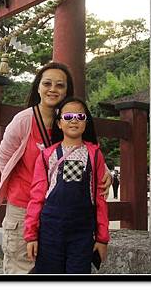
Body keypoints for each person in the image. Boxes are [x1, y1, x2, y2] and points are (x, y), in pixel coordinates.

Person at [0, 62, 112, 274]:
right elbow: (3, 159)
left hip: (59, 215)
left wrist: (106, 175)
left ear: (67, 91)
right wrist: (32, 185)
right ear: (37, 87)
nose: (53, 89)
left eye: (60, 85)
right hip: (24, 207)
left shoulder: (70, 121)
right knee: (23, 267)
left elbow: (88, 157)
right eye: (47, 83)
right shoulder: (24, 121)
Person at [24, 97, 109, 274]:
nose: (74, 120)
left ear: (86, 123)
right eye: (68, 116)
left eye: (80, 116)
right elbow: (37, 197)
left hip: (82, 231)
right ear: (59, 123)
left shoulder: (94, 155)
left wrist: (102, 238)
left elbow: (100, 199)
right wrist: (31, 235)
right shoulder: (47, 155)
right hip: (50, 229)